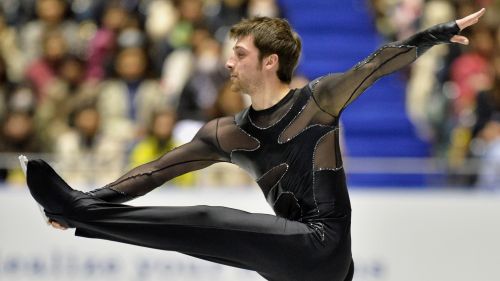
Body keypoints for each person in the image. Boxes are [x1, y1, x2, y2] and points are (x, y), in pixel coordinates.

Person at [25, 9, 485, 281]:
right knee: (196, 237)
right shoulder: (223, 133)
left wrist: (436, 33)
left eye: (239, 54)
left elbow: (379, 64)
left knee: (208, 220)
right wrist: (90, 203)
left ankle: (76, 210)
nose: (228, 63)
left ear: (270, 62)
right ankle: (77, 213)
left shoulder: (319, 100)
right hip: (294, 267)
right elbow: (152, 174)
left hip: (323, 250)